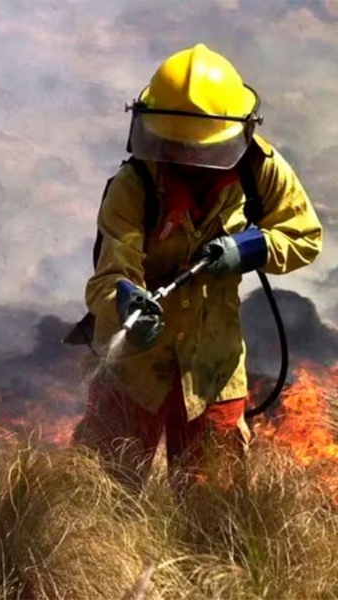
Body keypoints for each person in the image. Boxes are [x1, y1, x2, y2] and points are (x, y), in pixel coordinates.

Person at [72, 43, 323, 492]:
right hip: (134, 370)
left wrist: (249, 250)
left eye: (197, 149)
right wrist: (127, 300)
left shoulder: (258, 169)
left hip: (213, 369)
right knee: (100, 493)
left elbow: (304, 236)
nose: (186, 159)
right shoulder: (135, 185)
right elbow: (108, 277)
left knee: (212, 502)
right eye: (175, 146)